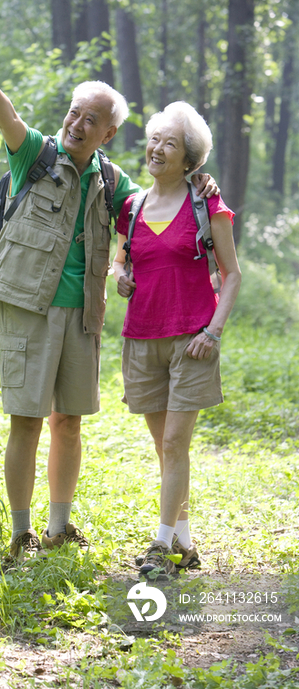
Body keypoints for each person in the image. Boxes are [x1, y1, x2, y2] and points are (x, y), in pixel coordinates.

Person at [0, 41, 217, 562]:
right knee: (25, 419)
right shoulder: (34, 152)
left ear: (108, 132)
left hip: (83, 315)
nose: (77, 123)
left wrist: (196, 180)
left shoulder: (115, 181)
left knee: (67, 421)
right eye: (74, 112)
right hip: (28, 305)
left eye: (91, 118)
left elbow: (152, 208)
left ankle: (58, 525)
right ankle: (19, 530)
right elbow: (8, 117)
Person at [113, 101, 241, 579]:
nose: (157, 148)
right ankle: (185, 543)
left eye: (170, 142)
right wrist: (119, 275)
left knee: (173, 441)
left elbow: (232, 275)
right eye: (154, 139)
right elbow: (121, 258)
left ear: (190, 159)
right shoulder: (132, 206)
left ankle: (160, 547)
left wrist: (214, 330)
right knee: (166, 449)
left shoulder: (208, 204)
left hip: (193, 339)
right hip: (142, 337)